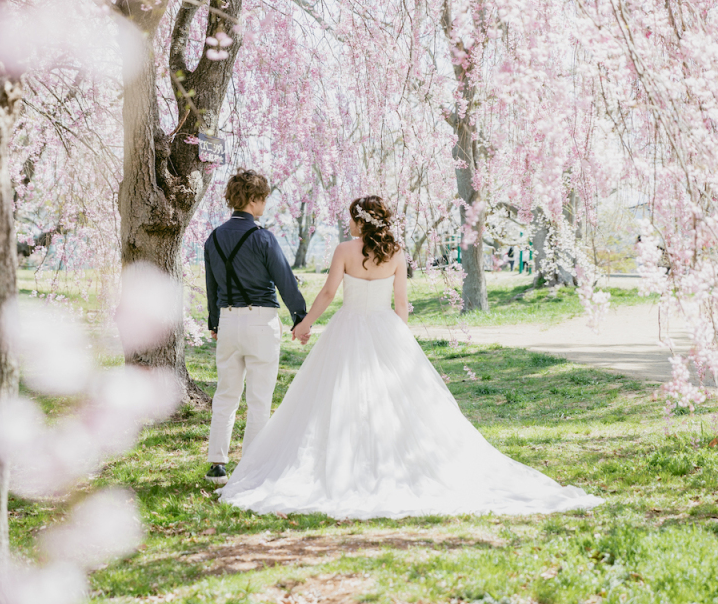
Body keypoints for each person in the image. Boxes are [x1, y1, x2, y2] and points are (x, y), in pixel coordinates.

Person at [219, 195, 602, 519]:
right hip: (385, 327)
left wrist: (305, 326)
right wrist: (398, 340)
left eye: (351, 219)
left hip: (348, 328)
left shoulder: (344, 251)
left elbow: (327, 295)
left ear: (360, 222)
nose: (348, 225)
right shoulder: (397, 253)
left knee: (335, 398)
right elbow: (402, 305)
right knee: (392, 399)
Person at [204, 169, 307, 487]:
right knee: (259, 399)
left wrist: (214, 322)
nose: (265, 204)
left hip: (228, 320)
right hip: (261, 321)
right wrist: (299, 317)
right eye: (263, 198)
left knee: (225, 396)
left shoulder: (214, 238)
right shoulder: (263, 237)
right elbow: (284, 280)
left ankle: (217, 466)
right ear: (252, 199)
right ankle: (251, 466)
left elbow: (211, 286)